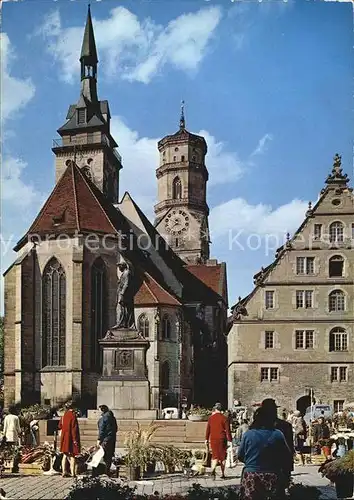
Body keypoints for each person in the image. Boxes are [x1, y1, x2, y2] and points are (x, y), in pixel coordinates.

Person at [238, 407, 292, 500]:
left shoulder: (248, 434)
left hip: (252, 474)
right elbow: (286, 455)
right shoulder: (277, 434)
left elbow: (240, 455)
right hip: (273, 473)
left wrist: (251, 462)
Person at [261, 399, 294, 489]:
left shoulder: (257, 428)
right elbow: (290, 448)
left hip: (264, 466)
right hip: (280, 464)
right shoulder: (286, 425)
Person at [205, 402, 232, 479]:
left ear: (215, 409)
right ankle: (223, 474)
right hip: (222, 438)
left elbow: (208, 430)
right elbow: (228, 431)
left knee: (214, 455)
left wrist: (206, 439)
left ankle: (213, 470)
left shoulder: (211, 418)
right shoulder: (224, 418)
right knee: (222, 456)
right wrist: (230, 440)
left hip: (213, 438)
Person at [58, 402, 81, 478]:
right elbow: (74, 429)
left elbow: (60, 425)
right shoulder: (73, 416)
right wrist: (75, 440)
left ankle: (64, 472)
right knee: (72, 455)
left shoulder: (63, 415)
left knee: (65, 455)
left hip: (64, 437)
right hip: (70, 437)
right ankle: (73, 473)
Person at [97, 405, 118, 476]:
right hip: (112, 438)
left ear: (102, 410)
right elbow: (116, 428)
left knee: (102, 454)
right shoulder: (112, 417)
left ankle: (101, 471)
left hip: (105, 439)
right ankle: (107, 470)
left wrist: (99, 439)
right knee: (109, 455)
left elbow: (101, 430)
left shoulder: (103, 418)